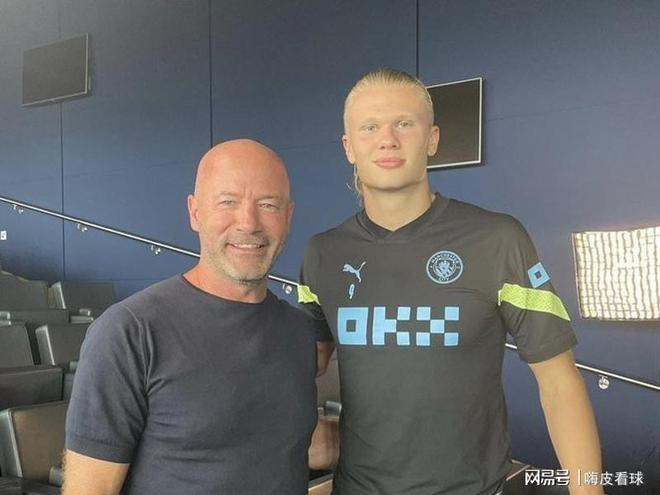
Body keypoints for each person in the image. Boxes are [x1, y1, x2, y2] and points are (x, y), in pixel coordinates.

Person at [301, 69, 604, 495]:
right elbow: (304, 365)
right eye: (370, 127)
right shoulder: (323, 254)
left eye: (404, 123)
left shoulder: (498, 239)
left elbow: (559, 382)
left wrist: (589, 491)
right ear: (349, 147)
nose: (387, 139)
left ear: (433, 139)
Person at [63, 139, 320, 495]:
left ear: (288, 216)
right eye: (228, 202)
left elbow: (274, 449)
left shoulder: (300, 332)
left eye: (268, 204)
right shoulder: (129, 332)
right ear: (195, 213)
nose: (249, 222)